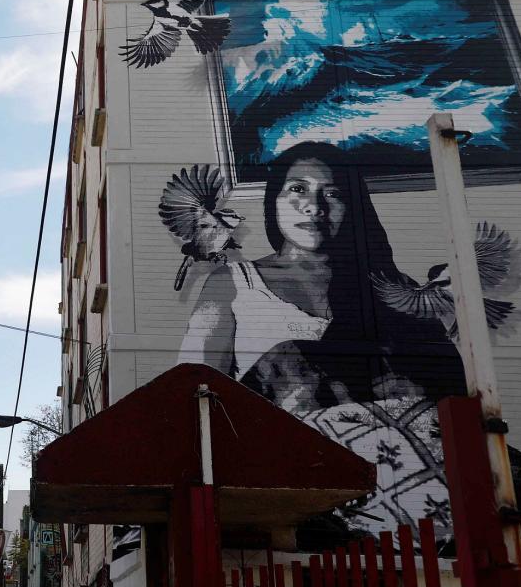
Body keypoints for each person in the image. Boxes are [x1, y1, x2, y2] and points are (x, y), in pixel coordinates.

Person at [179, 141, 462, 532]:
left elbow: (447, 393)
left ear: (355, 207)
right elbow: (192, 399)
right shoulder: (232, 285)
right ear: (273, 200)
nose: (314, 207)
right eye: (297, 189)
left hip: (401, 494)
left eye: (333, 193)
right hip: (289, 490)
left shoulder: (390, 289)